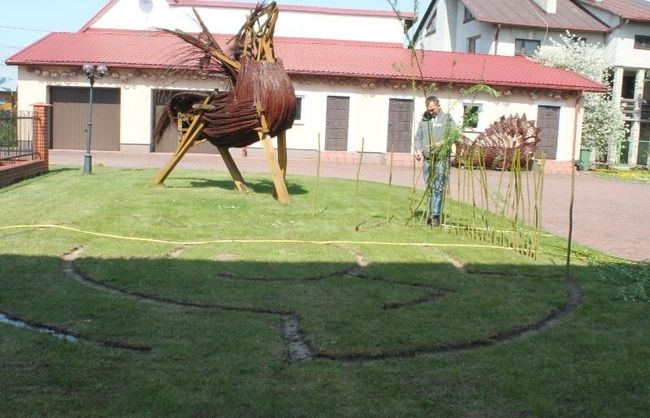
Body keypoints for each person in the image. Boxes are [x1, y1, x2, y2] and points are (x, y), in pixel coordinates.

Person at [414, 95, 456, 227]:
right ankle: (430, 213)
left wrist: (439, 144)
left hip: (441, 160)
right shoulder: (424, 120)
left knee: (438, 188)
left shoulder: (447, 119)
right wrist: (418, 150)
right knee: (430, 188)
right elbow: (418, 138)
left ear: (439, 106)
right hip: (427, 160)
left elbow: (453, 136)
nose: (431, 112)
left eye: (433, 109)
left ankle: (435, 216)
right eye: (429, 110)